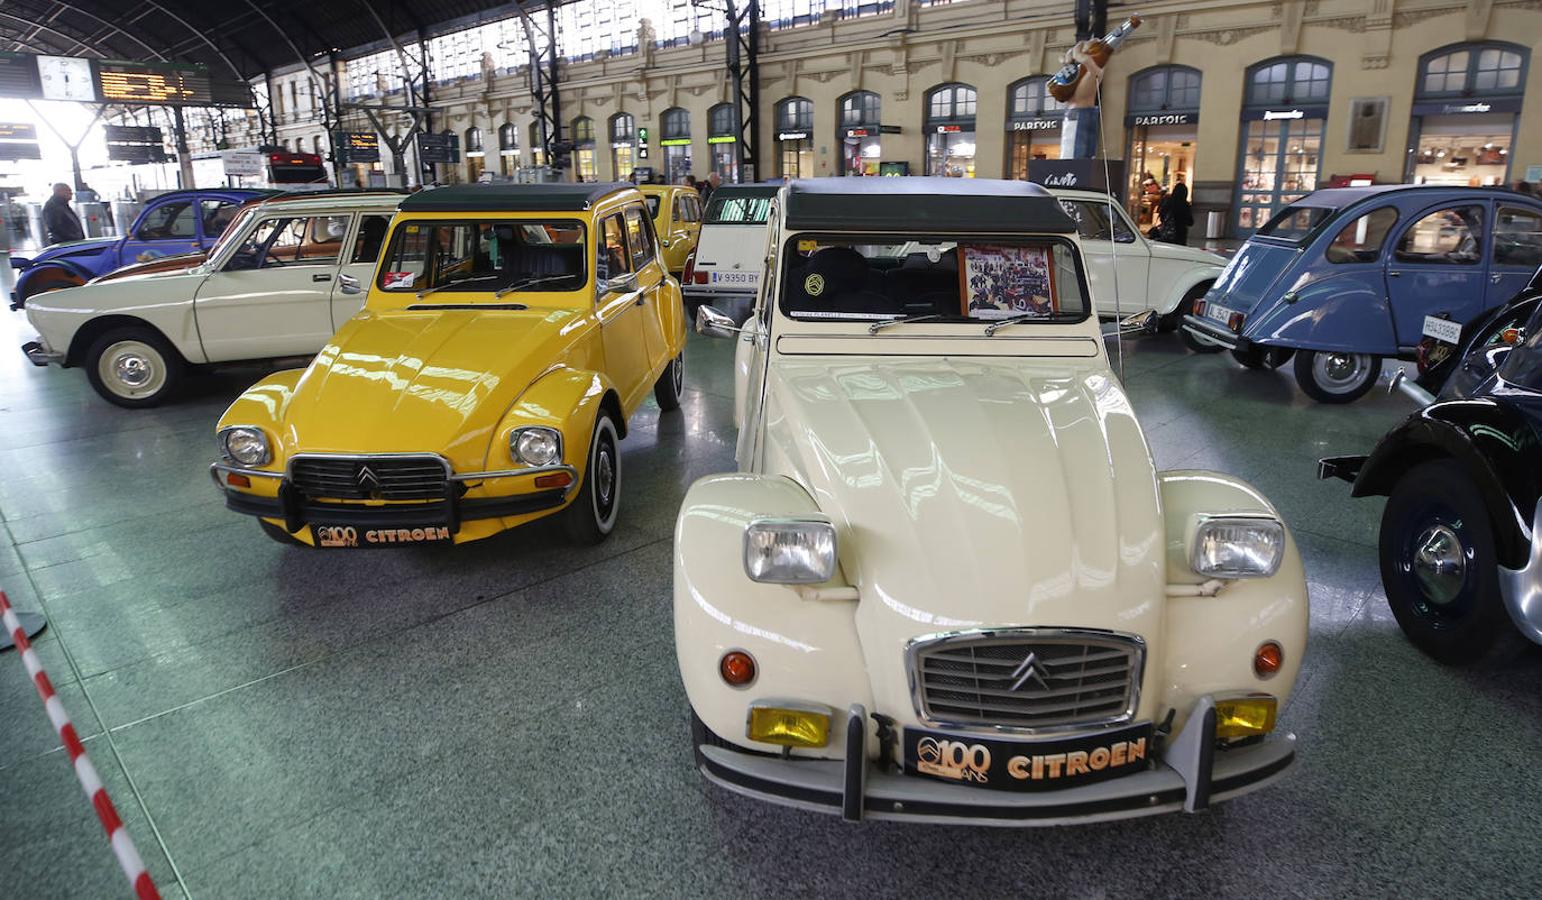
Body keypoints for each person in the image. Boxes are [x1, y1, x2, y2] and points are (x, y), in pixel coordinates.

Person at [1158, 176, 1194, 245]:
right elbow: (1190, 222)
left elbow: (1162, 217)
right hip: (1179, 235)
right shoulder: (1185, 205)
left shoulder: (1168, 202)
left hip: (1166, 234)